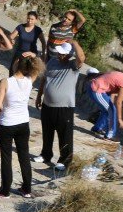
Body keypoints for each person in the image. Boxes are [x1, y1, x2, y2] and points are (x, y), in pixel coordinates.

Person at [0, 54, 45, 200]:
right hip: (23, 123)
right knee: (24, 157)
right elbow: (37, 70)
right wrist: (34, 56)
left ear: (15, 64)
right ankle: (26, 189)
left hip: (7, 123)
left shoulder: (5, 81)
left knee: (6, 158)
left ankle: (4, 190)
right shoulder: (29, 81)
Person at [34, 40, 85, 171]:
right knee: (47, 132)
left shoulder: (73, 65)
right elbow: (45, 79)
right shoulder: (52, 62)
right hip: (47, 104)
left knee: (65, 135)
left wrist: (74, 42)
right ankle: (46, 154)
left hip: (64, 107)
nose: (59, 55)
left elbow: (82, 58)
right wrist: (39, 96)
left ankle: (65, 160)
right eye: (59, 52)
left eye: (63, 54)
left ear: (69, 55)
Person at [88, 69, 123, 141]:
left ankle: (97, 128)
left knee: (108, 110)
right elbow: (119, 102)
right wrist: (120, 119)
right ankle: (110, 135)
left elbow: (112, 93)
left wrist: (110, 105)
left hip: (95, 88)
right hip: (96, 90)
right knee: (111, 110)